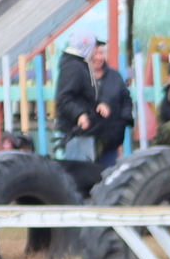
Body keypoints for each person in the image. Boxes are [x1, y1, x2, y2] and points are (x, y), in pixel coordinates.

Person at [54, 33, 103, 162]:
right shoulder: (74, 68)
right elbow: (64, 97)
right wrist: (80, 115)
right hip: (76, 133)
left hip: (81, 133)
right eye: (95, 46)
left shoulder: (77, 65)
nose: (97, 50)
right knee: (79, 174)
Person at [90, 43, 131, 168]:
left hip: (111, 139)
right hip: (88, 139)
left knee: (108, 174)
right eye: (95, 53)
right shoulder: (81, 76)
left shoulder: (115, 76)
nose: (99, 57)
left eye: (102, 53)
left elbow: (126, 100)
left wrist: (122, 122)